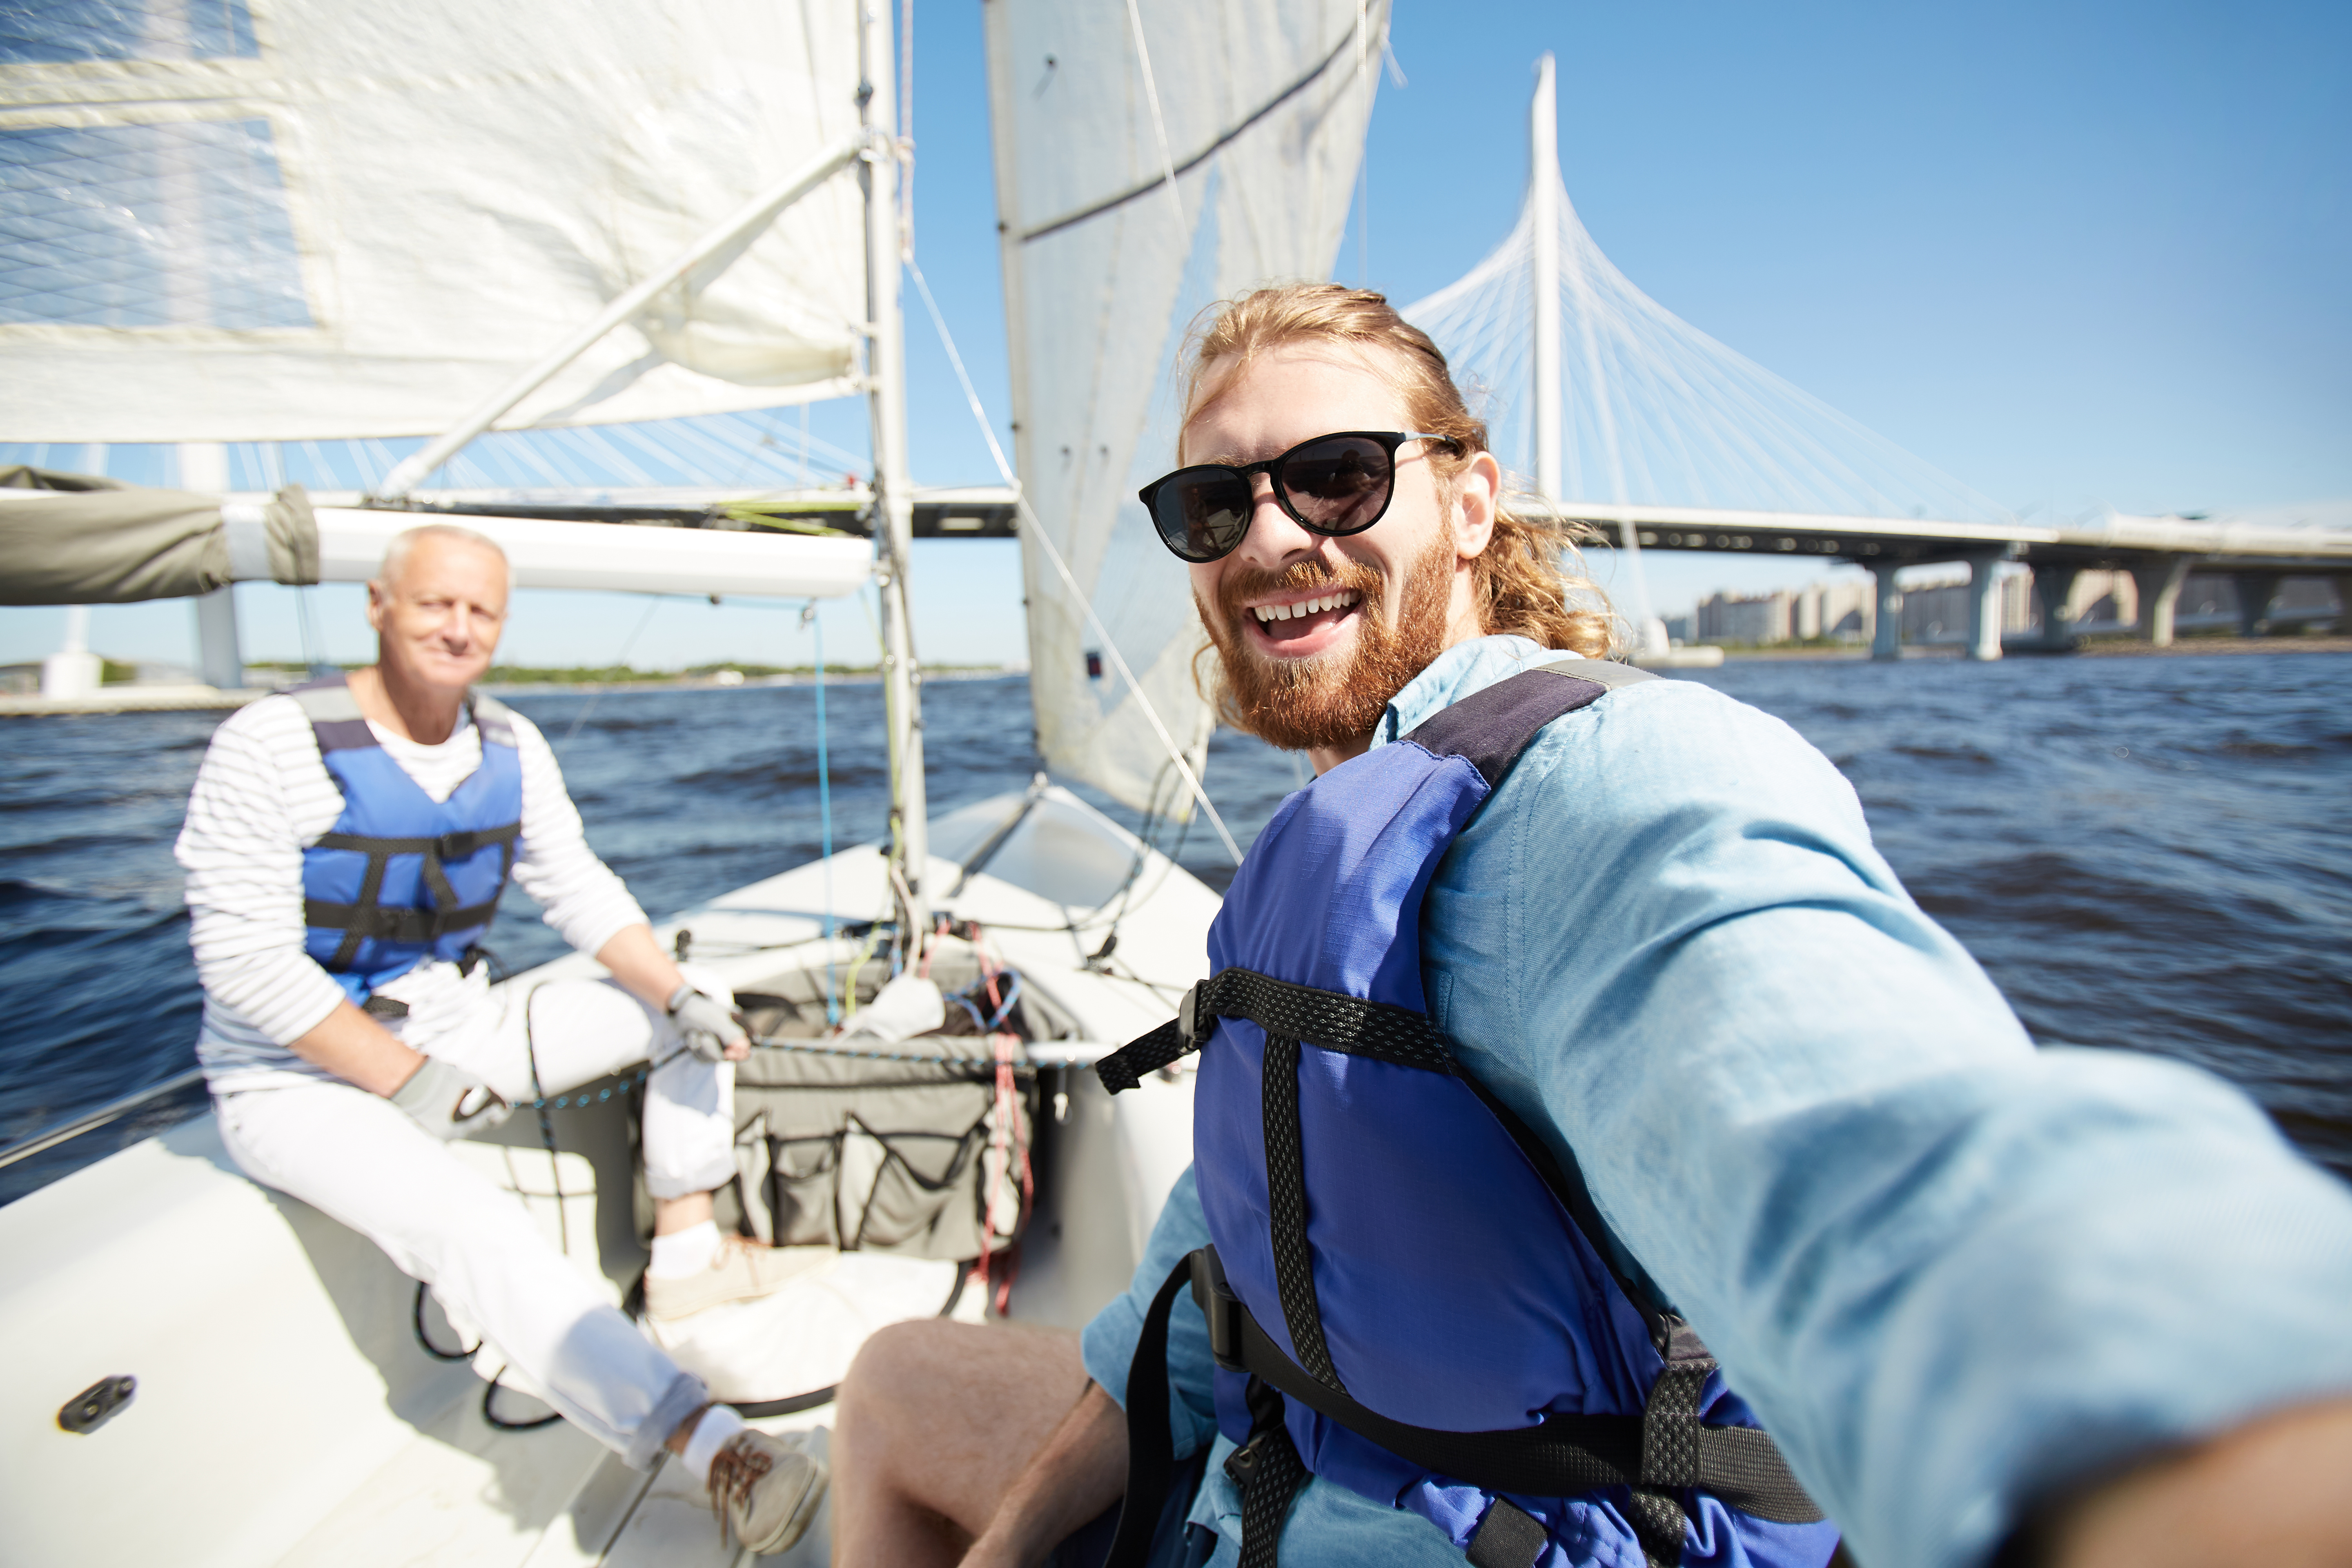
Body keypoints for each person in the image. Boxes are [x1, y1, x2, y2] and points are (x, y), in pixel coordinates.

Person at [829, 286, 2352, 1568]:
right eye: (1216, 503)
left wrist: (2210, 1446)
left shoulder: (1605, 788)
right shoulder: (1331, 847)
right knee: (897, 1378)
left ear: (1471, 501)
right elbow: (1209, 1279)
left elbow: (1879, 1159)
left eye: (1340, 477)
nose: (1272, 537)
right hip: (1268, 1486)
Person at [178, 523, 823, 1554]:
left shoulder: (509, 745)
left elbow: (574, 887)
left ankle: (689, 1254)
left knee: (682, 1007)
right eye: (436, 604)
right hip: (291, 1081)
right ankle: (708, 1445)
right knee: (468, 1222)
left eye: (482, 611)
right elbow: (245, 967)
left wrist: (678, 993)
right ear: (380, 606)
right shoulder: (271, 743)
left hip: (455, 1025)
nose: (459, 627)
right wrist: (406, 1082)